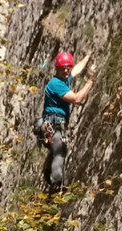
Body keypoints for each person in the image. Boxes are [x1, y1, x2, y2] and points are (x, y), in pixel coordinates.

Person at [37, 51, 97, 189]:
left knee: (56, 149)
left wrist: (87, 57)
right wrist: (91, 81)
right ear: (56, 69)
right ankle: (56, 184)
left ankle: (48, 173)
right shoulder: (56, 84)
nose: (66, 71)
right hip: (54, 123)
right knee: (60, 150)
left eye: (67, 68)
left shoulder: (63, 78)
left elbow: (75, 70)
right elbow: (77, 99)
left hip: (51, 123)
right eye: (62, 68)